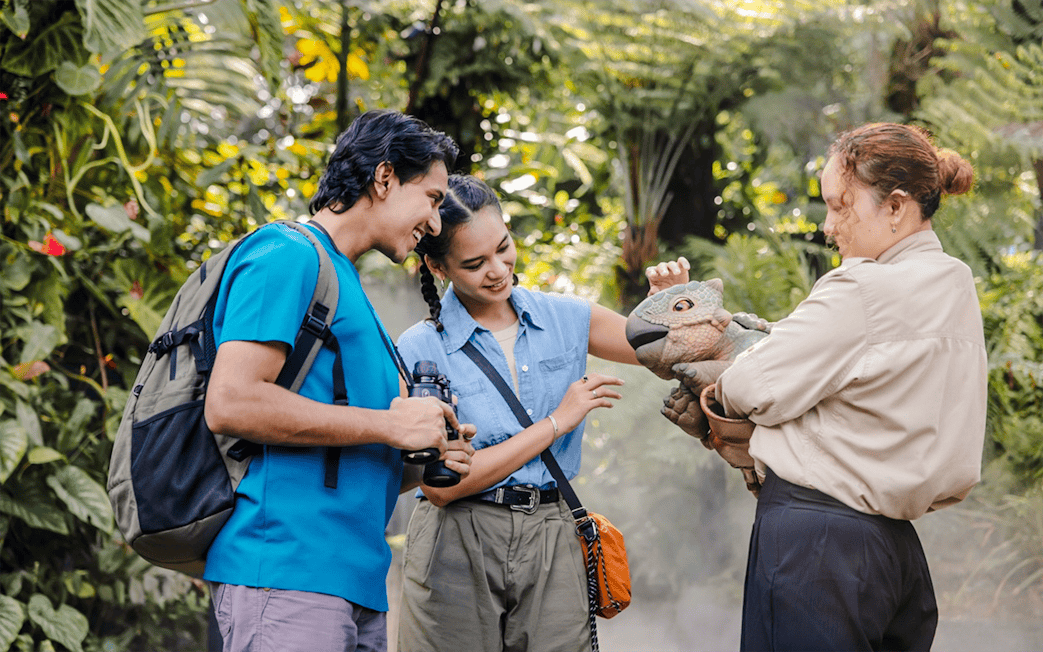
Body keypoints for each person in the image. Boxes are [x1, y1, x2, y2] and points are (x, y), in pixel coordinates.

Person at [201, 110, 477, 652]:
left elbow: (349, 450)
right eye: (433, 198)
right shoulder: (286, 255)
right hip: (286, 572)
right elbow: (230, 402)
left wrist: (421, 454)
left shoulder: (347, 288)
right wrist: (387, 424)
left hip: (356, 586)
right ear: (384, 177)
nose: (437, 225)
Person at [711, 123, 987, 651]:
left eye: (840, 206)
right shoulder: (956, 284)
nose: (829, 226)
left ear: (896, 207)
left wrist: (739, 367)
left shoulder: (862, 286)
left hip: (818, 549)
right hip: (897, 557)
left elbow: (747, 385)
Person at [395, 173, 689, 652]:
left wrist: (678, 298)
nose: (497, 269)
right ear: (438, 265)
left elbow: (664, 351)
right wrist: (557, 422)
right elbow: (441, 488)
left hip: (552, 532)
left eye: (503, 247)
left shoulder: (566, 317)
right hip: (456, 542)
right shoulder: (420, 347)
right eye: (474, 263)